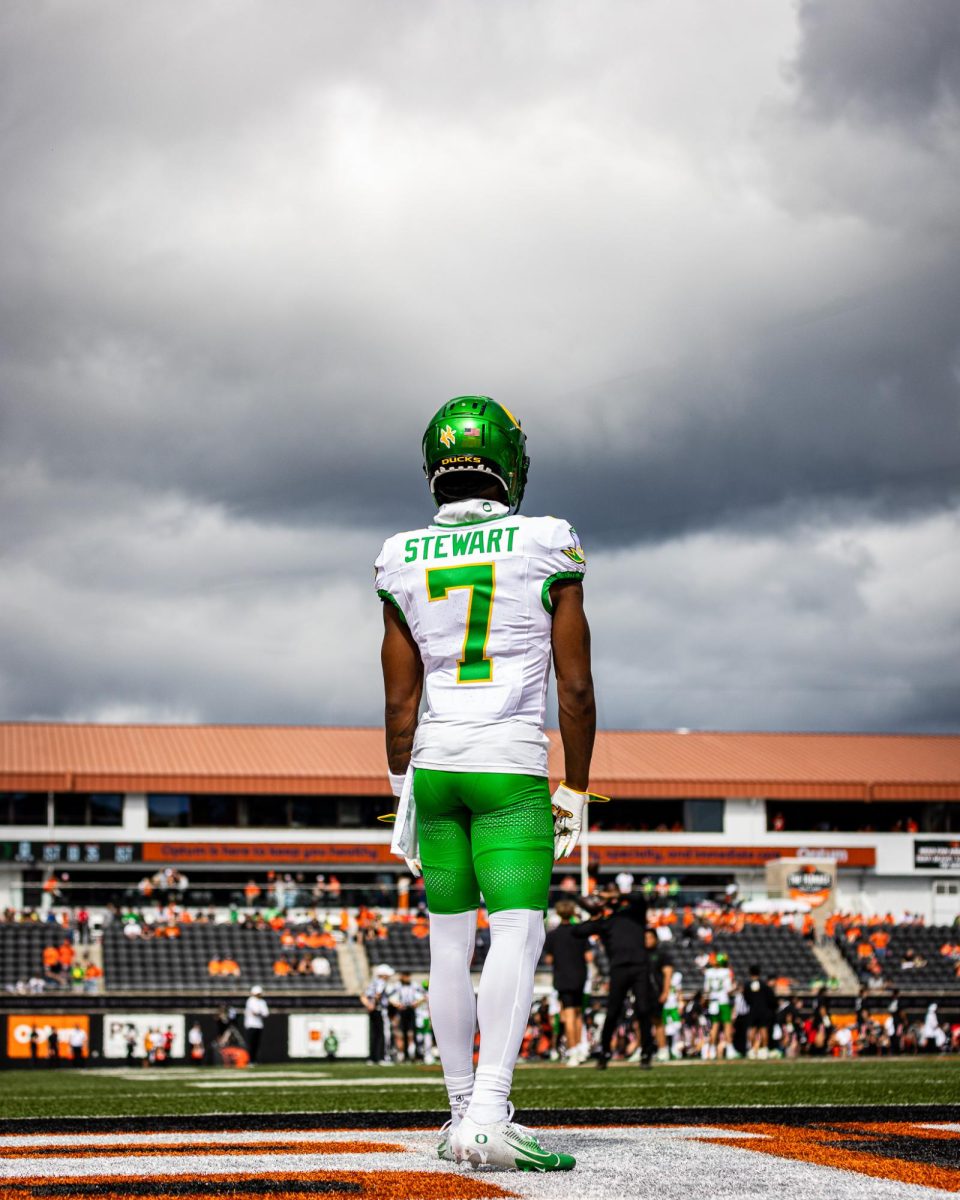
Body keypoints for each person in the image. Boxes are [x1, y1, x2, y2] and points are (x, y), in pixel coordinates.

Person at [376, 396, 599, 1172]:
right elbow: (574, 687)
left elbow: (399, 701)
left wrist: (399, 786)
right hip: (506, 762)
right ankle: (489, 1112)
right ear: (509, 461)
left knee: (447, 941)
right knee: (517, 931)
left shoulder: (400, 553)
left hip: (434, 767)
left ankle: (455, 1112)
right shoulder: (546, 541)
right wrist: (577, 785)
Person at [543, 899, 592, 1065]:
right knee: (578, 1015)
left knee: (569, 1015)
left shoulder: (552, 935)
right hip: (580, 977)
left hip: (563, 978)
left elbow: (549, 959)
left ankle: (572, 1052)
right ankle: (579, 1049)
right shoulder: (580, 933)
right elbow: (589, 957)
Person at [361, 963, 394, 1064]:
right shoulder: (381, 982)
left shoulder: (373, 982)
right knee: (383, 1034)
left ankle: (373, 1058)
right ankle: (382, 1057)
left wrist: (369, 1005)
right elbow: (378, 995)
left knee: (374, 1034)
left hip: (373, 1011)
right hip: (380, 1010)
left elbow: (363, 996)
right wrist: (373, 1004)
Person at [243, 986, 269, 1065]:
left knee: (256, 1044)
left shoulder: (262, 1002)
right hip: (251, 1025)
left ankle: (254, 1060)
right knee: (250, 1044)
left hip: (259, 1025)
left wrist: (259, 1013)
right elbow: (256, 1012)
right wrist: (260, 1013)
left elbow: (266, 1013)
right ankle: (250, 1060)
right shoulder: (250, 1001)